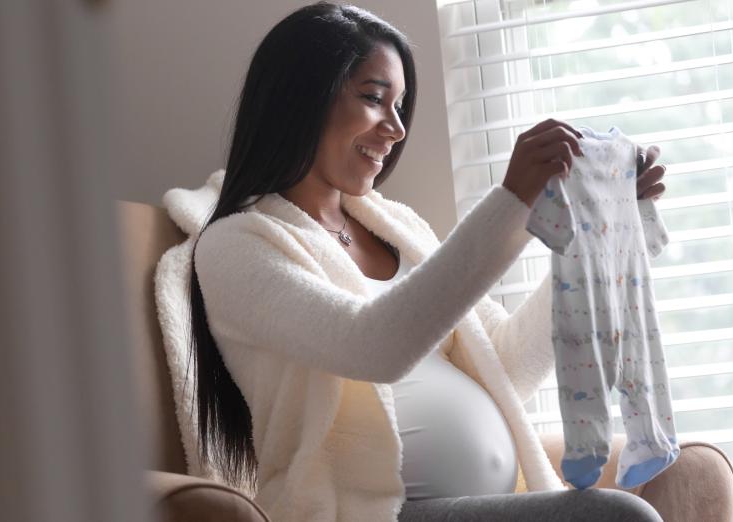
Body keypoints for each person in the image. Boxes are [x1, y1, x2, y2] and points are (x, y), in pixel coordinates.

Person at [184, 2, 670, 521]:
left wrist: (606, 233)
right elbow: (373, 346)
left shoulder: (397, 228)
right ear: (300, 100)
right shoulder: (235, 246)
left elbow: (507, 366)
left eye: (400, 107)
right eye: (374, 99)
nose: (395, 129)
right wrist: (515, 202)